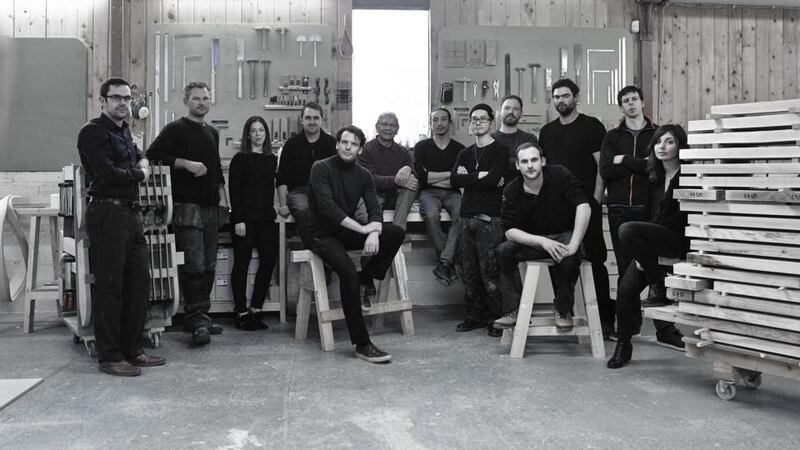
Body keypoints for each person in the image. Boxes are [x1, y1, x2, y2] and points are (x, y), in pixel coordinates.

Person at [77, 77, 165, 376]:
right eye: (116, 98)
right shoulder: (92, 132)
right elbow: (108, 174)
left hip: (130, 214)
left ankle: (132, 350)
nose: (123, 103)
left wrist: (141, 160)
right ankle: (110, 356)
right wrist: (140, 174)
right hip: (107, 212)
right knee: (111, 286)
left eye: (126, 98)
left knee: (138, 283)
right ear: (102, 101)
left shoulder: (125, 130)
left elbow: (137, 156)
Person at [306, 125, 405, 363]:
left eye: (353, 144)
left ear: (360, 148)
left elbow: (374, 208)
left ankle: (366, 277)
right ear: (337, 144)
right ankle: (362, 344)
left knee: (395, 233)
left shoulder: (363, 175)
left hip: (347, 231)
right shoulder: (321, 168)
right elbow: (329, 209)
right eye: (344, 142)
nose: (348, 147)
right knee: (348, 272)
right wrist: (363, 230)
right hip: (321, 234)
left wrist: (374, 232)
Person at [600, 85, 683, 348]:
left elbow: (650, 168)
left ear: (642, 102)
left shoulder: (656, 133)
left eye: (634, 98)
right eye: (625, 101)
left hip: (649, 211)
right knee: (628, 269)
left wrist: (623, 160)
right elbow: (605, 169)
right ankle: (630, 328)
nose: (631, 103)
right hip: (619, 207)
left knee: (654, 268)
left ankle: (665, 329)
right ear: (621, 107)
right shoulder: (613, 136)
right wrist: (636, 164)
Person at [147, 81, 229, 346]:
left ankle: (200, 315)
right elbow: (152, 156)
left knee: (208, 266)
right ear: (186, 101)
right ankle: (194, 318)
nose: (202, 103)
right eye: (197, 99)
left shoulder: (212, 133)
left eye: (206, 98)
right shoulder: (175, 130)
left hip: (210, 207)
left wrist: (224, 203)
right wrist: (185, 164)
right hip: (186, 207)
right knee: (194, 266)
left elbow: (216, 171)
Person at [607, 125, 689, 368]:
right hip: (652, 243)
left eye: (669, 142)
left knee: (627, 229)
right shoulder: (654, 176)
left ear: (680, 146)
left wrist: (647, 241)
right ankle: (623, 347)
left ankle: (657, 283)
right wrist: (645, 250)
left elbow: (682, 220)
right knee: (625, 289)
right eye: (658, 142)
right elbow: (647, 214)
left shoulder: (688, 176)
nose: (662, 146)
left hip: (677, 239)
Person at [538, 78, 615, 339]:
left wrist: (594, 198)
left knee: (595, 260)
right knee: (556, 257)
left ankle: (605, 321)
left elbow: (601, 167)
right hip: (557, 207)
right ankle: (564, 310)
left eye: (565, 96)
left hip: (586, 203)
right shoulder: (547, 131)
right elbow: (544, 171)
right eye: (556, 96)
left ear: (575, 97)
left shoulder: (592, 126)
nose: (561, 100)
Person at [494, 143, 591, 331]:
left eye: (534, 160)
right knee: (503, 251)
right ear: (517, 166)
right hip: (534, 241)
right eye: (524, 161)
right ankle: (513, 309)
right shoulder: (511, 190)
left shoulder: (560, 175)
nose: (530, 165)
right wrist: (543, 241)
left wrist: (574, 244)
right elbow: (510, 231)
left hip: (564, 235)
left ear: (543, 161)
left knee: (571, 258)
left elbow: (583, 207)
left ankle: (563, 310)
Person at [450, 104, 509, 337]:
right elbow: (454, 180)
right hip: (467, 218)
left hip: (490, 219)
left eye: (482, 119)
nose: (477, 123)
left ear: (491, 122)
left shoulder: (500, 150)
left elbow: (494, 179)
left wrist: (470, 178)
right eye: (474, 119)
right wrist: (479, 176)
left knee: (490, 271)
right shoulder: (464, 153)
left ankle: (496, 319)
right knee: (469, 271)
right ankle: (475, 316)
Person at [228, 116, 278, 331]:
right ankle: (240, 311)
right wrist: (238, 219)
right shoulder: (240, 159)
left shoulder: (272, 159)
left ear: (266, 134)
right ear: (247, 134)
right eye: (253, 130)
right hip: (244, 220)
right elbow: (234, 191)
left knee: (269, 260)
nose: (258, 134)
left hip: (266, 219)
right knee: (242, 263)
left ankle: (256, 308)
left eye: (261, 130)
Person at [413, 107, 464, 286]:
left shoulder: (460, 149)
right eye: (435, 120)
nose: (439, 123)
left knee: (461, 214)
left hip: (453, 193)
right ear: (431, 124)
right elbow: (421, 177)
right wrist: (449, 175)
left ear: (450, 123)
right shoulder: (421, 147)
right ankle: (447, 260)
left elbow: (459, 181)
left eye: (443, 120)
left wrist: (433, 177)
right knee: (432, 215)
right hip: (428, 193)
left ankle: (443, 262)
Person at [276, 103, 336, 246]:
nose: (312, 122)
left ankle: (330, 250)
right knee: (303, 210)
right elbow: (282, 177)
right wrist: (283, 204)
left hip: (326, 193)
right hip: (299, 192)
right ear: (301, 120)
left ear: (322, 119)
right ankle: (315, 248)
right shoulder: (291, 145)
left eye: (316, 118)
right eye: (308, 118)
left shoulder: (331, 144)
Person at [357, 112, 417, 230]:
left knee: (413, 183)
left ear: (397, 129)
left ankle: (398, 230)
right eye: (384, 124)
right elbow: (370, 179)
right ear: (377, 127)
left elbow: (415, 174)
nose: (388, 128)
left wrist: (409, 168)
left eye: (392, 125)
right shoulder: (366, 149)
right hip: (374, 194)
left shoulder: (403, 151)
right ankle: (380, 236)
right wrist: (396, 180)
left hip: (396, 196)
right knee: (363, 216)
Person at [491, 94, 539, 177]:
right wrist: (517, 161)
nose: (511, 112)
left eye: (516, 109)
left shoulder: (529, 139)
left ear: (521, 113)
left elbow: (531, 164)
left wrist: (498, 162)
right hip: (495, 188)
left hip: (522, 187)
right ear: (500, 112)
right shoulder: (490, 139)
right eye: (507, 108)